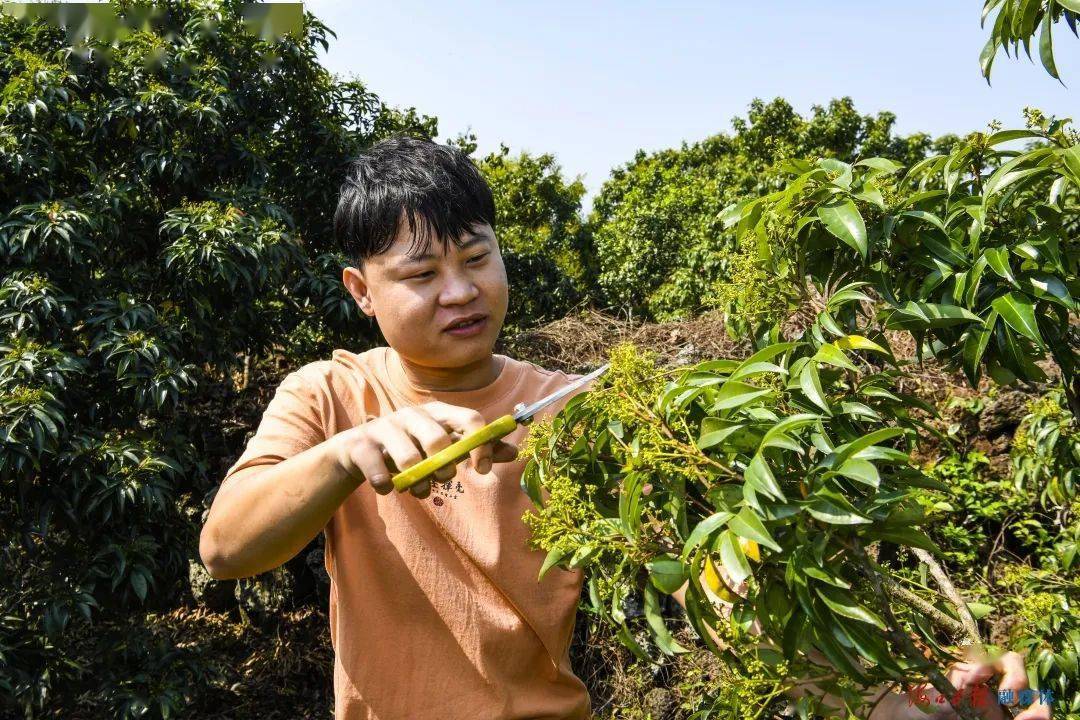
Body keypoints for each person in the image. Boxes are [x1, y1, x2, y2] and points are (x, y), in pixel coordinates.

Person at [198, 136, 1049, 720]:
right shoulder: (330, 395)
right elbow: (227, 547)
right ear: (360, 291)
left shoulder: (584, 413)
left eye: (477, 257)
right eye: (421, 272)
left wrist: (901, 691)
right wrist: (348, 455)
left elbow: (718, 584)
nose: (459, 291)